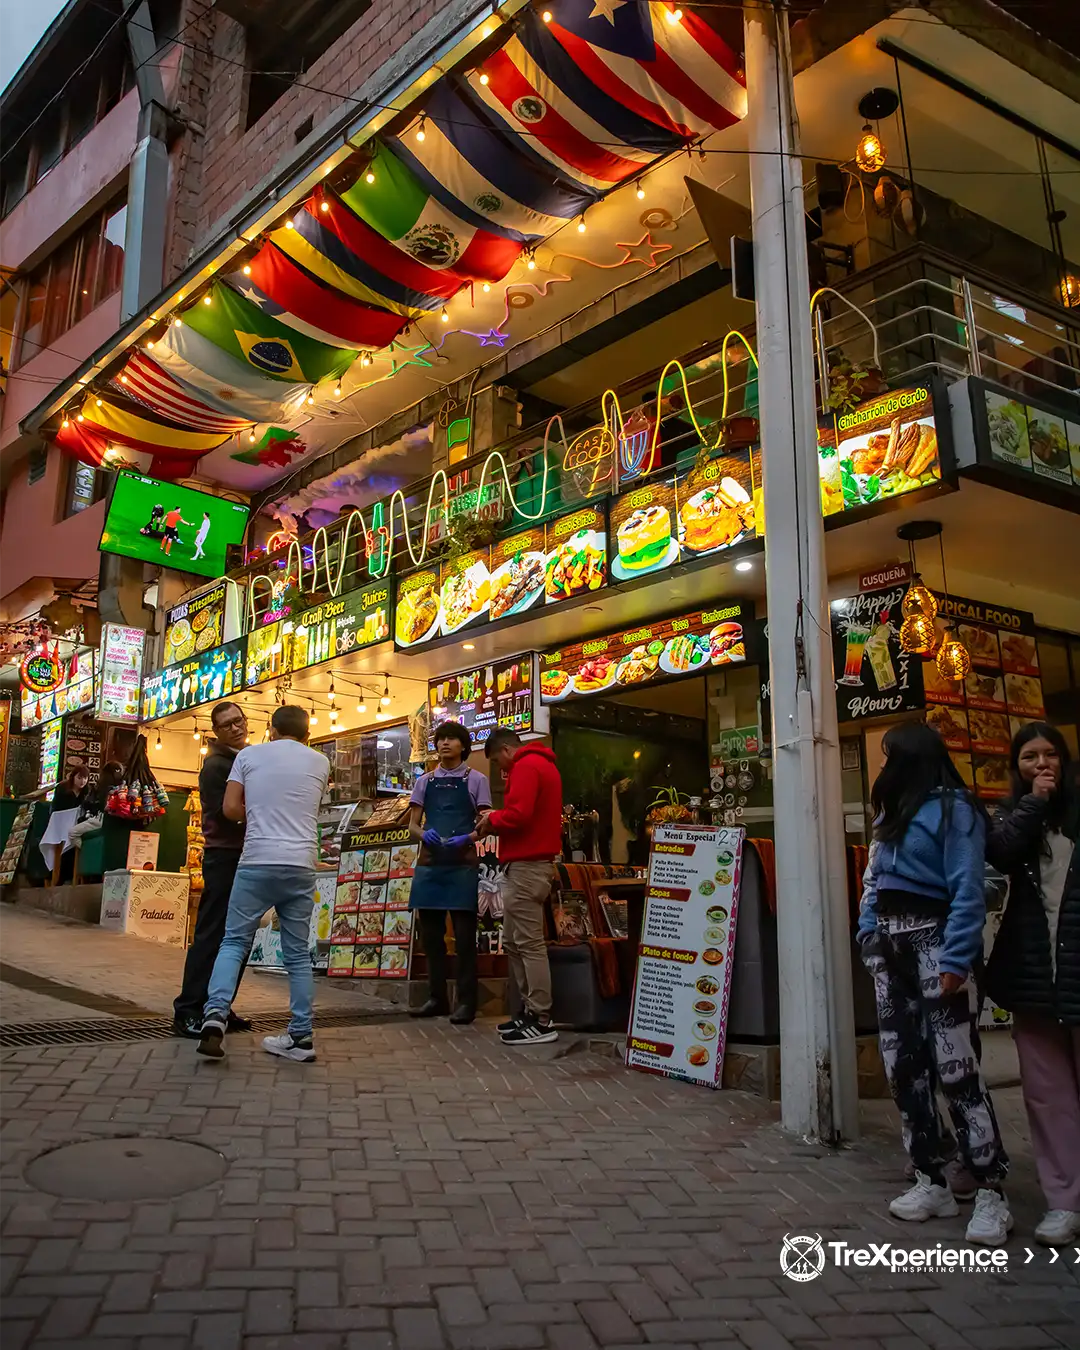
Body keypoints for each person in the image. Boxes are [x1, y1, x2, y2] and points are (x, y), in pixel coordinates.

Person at [857, 722, 1011, 1243]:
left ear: (910, 757)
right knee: (903, 1067)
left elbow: (968, 887)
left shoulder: (956, 809)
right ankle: (932, 1178)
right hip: (891, 946)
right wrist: (868, 938)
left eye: (889, 756)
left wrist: (956, 957)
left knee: (956, 1068)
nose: (883, 766)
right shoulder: (891, 810)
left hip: (935, 941)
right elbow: (873, 879)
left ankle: (991, 1189)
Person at [985, 723, 1080, 1246]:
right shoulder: (1012, 819)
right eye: (1029, 757)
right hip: (1032, 974)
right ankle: (1064, 1201)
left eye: (1050, 755)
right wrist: (1033, 805)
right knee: (1047, 1096)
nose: (1041, 764)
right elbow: (998, 853)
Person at [197, 704, 330, 1063]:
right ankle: (301, 1037)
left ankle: (214, 1015)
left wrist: (257, 813)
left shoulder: (249, 756)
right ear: (307, 735)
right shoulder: (320, 761)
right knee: (298, 954)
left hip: (256, 860)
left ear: (270, 729)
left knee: (234, 941)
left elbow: (229, 808)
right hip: (301, 864)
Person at [172, 701, 252, 1038]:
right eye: (227, 724)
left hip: (245, 856)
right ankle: (188, 1010)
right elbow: (226, 813)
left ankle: (217, 1005)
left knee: (236, 936)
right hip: (224, 857)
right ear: (216, 732)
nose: (236, 727)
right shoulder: (217, 766)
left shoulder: (243, 760)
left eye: (239, 720)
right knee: (212, 934)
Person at [479, 729, 563, 1046]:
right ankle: (529, 1012)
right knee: (514, 942)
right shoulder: (543, 765)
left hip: (529, 866)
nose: (502, 768)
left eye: (499, 760)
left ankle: (541, 1018)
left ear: (507, 749)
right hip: (528, 865)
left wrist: (492, 819)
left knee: (528, 944)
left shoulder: (527, 766)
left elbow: (519, 815)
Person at [406, 721, 490, 1025]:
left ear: (463, 746)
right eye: (441, 739)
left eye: (451, 739)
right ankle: (436, 998)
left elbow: (485, 823)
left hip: (462, 865)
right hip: (430, 865)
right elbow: (413, 824)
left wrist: (467, 838)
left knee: (466, 938)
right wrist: (422, 834)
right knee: (431, 938)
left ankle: (467, 1002)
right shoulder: (424, 781)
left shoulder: (477, 779)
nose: (444, 744)